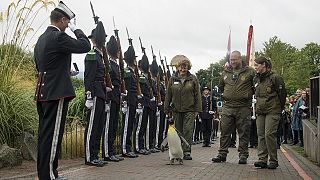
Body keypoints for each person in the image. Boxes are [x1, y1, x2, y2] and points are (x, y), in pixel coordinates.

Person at [34, 1, 90, 179]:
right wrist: (77, 29)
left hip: (43, 91)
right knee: (53, 136)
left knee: (45, 135)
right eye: (67, 22)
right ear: (63, 19)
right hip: (56, 92)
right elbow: (85, 45)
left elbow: (42, 65)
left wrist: (65, 72)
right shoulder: (58, 36)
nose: (68, 25)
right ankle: (50, 176)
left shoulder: (41, 39)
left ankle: (46, 173)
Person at [212, 51, 255, 164]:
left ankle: (243, 155)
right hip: (228, 106)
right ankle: (222, 154)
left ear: (240, 59)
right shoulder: (226, 72)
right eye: (231, 60)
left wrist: (247, 96)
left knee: (243, 132)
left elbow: (256, 87)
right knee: (225, 131)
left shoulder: (250, 72)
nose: (233, 62)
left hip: (243, 107)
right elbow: (221, 87)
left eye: (235, 59)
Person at [164, 55, 202, 160]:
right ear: (177, 67)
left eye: (185, 66)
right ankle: (178, 151)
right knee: (178, 132)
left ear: (188, 67)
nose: (183, 68)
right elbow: (168, 95)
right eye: (181, 66)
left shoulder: (193, 78)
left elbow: (197, 95)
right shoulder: (172, 79)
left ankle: (187, 152)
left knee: (188, 131)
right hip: (176, 110)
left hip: (189, 110)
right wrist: (166, 108)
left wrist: (197, 110)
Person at [253, 56, 286, 169]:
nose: (255, 67)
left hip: (273, 110)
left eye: (257, 65)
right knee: (261, 135)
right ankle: (262, 159)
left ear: (264, 65)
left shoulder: (275, 78)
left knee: (269, 134)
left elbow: (282, 95)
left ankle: (273, 160)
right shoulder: (257, 79)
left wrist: (279, 109)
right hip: (260, 110)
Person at [84, 28, 108, 167]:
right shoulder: (92, 55)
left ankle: (95, 154)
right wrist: (89, 96)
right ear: (93, 40)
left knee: (99, 126)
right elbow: (89, 77)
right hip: (94, 93)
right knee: (92, 126)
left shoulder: (100, 56)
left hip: (101, 93)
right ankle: (89, 156)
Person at [101, 35, 124, 162]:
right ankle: (106, 153)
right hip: (110, 97)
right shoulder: (109, 63)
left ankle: (111, 151)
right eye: (118, 50)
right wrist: (107, 100)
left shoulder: (116, 64)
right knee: (108, 126)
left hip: (116, 98)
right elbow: (107, 81)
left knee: (114, 125)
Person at [122, 46, 139, 158]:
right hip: (128, 101)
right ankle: (125, 149)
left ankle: (128, 147)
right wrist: (124, 102)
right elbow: (125, 88)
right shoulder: (128, 71)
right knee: (127, 126)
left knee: (131, 126)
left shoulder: (133, 72)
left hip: (133, 101)